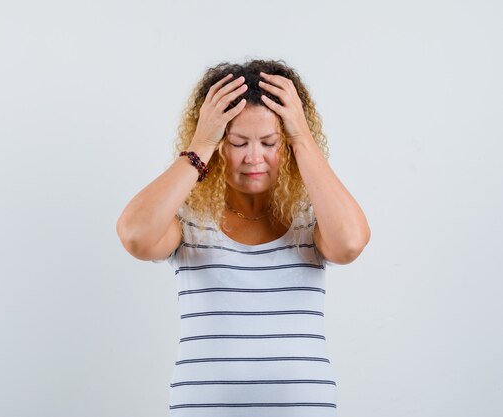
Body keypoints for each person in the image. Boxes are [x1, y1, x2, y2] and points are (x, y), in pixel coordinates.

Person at [116, 59, 371, 416]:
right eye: (238, 143)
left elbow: (349, 244)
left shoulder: (311, 220)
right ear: (221, 147)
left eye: (269, 142)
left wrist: (301, 135)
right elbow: (136, 236)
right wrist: (201, 143)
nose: (254, 158)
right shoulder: (189, 220)